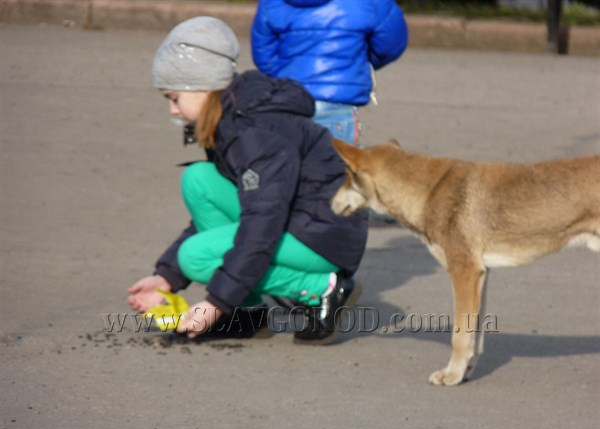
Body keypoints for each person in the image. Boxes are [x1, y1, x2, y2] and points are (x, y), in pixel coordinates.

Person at [127, 16, 368, 344]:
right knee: (199, 179)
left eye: (174, 97)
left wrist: (215, 303)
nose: (172, 110)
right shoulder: (230, 119)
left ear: (204, 86)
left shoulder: (253, 134)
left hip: (326, 234)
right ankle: (246, 311)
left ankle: (324, 289)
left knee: (195, 256)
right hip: (300, 219)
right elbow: (245, 211)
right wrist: (165, 277)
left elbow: (261, 224)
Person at [251, 0, 409, 145]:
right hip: (339, 103)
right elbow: (390, 44)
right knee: (337, 171)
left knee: (286, 169)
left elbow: (264, 55)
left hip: (288, 102)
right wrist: (357, 62)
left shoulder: (271, 3)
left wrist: (285, 74)